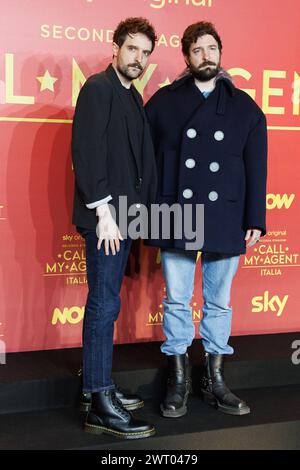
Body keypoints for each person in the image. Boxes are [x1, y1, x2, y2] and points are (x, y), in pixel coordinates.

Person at [145, 21, 268, 418]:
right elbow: (146, 165)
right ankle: (177, 380)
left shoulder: (245, 106)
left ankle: (214, 380)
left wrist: (255, 217)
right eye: (197, 49)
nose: (206, 55)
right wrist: (147, 215)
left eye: (211, 48)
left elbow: (256, 168)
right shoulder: (163, 102)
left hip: (226, 213)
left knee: (219, 302)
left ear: (220, 53)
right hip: (174, 211)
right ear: (186, 57)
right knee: (177, 299)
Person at [72, 17, 157, 439]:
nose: (138, 59)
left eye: (145, 53)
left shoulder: (131, 96)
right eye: (132, 49)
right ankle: (101, 404)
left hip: (124, 218)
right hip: (105, 220)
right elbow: (86, 152)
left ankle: (94, 389)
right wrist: (103, 212)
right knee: (104, 304)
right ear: (116, 47)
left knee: (105, 302)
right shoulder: (99, 88)